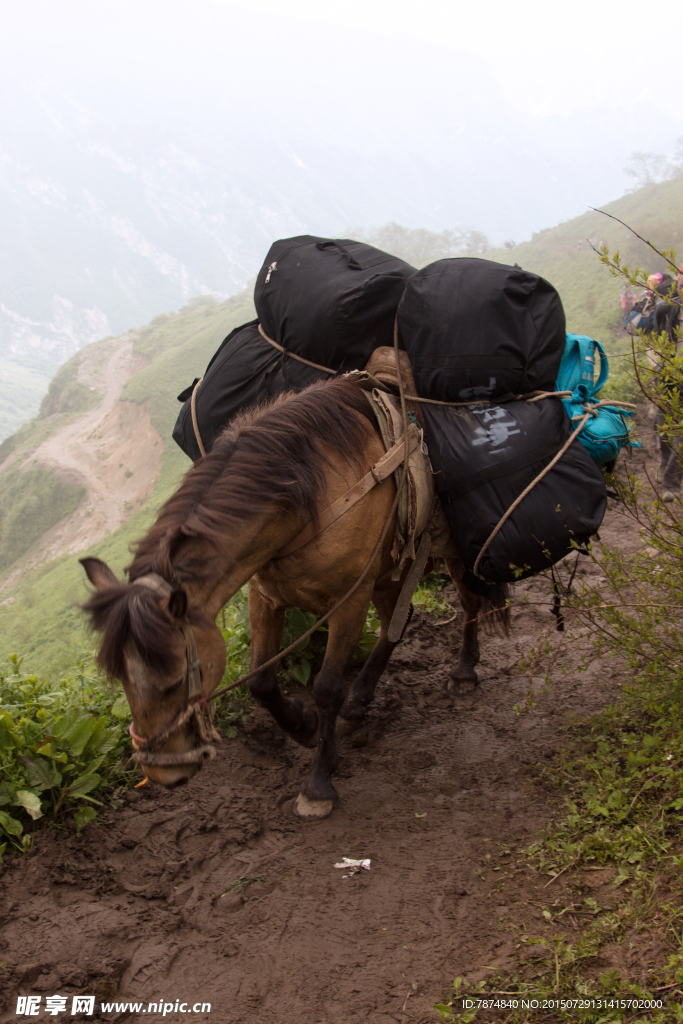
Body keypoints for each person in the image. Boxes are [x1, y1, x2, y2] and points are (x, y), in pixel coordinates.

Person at [653, 267, 683, 501]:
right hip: (668, 374)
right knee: (664, 425)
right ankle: (665, 462)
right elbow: (657, 337)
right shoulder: (667, 309)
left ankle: (672, 482)